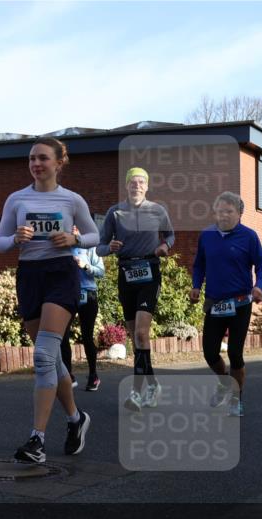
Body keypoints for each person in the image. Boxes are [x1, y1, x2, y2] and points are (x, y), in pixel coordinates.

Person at [0, 137, 98, 463]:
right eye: (31, 159)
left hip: (60, 276)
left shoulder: (71, 200)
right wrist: (15, 238)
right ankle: (75, 419)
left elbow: (95, 235)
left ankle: (36, 440)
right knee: (52, 360)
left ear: (58, 163)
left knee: (42, 356)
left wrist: (74, 238)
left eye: (42, 158)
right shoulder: (16, 199)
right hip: (29, 276)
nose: (36, 164)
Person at [98, 167, 174, 412]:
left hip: (150, 271)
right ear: (127, 186)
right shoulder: (115, 212)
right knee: (135, 337)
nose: (137, 186)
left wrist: (165, 246)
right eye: (133, 182)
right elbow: (99, 246)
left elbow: (171, 236)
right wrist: (109, 246)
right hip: (126, 273)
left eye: (141, 182)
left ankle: (137, 392)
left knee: (142, 333)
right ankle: (152, 385)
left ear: (147, 186)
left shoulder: (157, 210)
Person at [190, 192, 262, 418]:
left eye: (229, 211)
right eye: (220, 211)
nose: (223, 215)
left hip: (241, 301)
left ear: (239, 214)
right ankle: (225, 383)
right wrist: (196, 285)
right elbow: (199, 265)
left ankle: (236, 399)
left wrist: (259, 286)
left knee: (235, 352)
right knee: (209, 352)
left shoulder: (249, 236)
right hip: (215, 302)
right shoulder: (206, 236)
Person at [60, 239, 105, 391]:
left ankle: (93, 376)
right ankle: (69, 376)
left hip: (88, 294)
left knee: (87, 336)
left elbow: (101, 271)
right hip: (68, 294)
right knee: (63, 335)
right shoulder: (62, 247)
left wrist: (85, 266)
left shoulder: (90, 247)